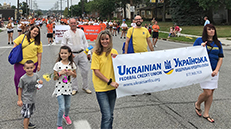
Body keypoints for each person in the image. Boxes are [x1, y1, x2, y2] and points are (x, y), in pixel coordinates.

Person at [194, 24, 224, 123]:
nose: (211, 31)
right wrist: (200, 48)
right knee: (207, 92)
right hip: (203, 71)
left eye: (213, 29)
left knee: (211, 93)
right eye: (209, 29)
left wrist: (216, 70)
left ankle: (206, 113)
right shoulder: (199, 41)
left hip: (214, 72)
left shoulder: (218, 43)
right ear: (205, 31)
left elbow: (220, 57)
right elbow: (191, 54)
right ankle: (197, 103)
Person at [91, 30, 119, 129]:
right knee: (106, 116)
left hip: (112, 89)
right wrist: (109, 82)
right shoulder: (96, 54)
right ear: (99, 40)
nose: (105, 41)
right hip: (101, 89)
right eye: (102, 39)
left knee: (110, 115)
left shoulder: (114, 52)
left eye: (107, 39)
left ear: (110, 40)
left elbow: (120, 68)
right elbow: (96, 72)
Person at [124, 15, 154, 96]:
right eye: (136, 19)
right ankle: (134, 90)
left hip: (144, 54)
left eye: (139, 19)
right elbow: (127, 42)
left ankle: (146, 88)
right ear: (134, 21)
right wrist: (126, 53)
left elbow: (149, 42)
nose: (138, 20)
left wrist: (153, 52)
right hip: (134, 54)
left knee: (145, 72)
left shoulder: (145, 30)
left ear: (142, 20)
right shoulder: (131, 30)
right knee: (135, 73)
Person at [61, 18, 92, 95]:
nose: (73, 24)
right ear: (69, 24)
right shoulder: (66, 33)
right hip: (72, 55)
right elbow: (63, 45)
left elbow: (85, 43)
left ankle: (85, 87)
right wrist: (68, 54)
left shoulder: (81, 32)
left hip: (82, 53)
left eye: (74, 23)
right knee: (73, 72)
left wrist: (89, 53)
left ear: (77, 23)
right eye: (71, 23)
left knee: (85, 71)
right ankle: (74, 88)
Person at [13, 25, 43, 95]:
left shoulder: (38, 42)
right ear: (30, 30)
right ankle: (20, 93)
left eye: (37, 32)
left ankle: (28, 93)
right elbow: (15, 45)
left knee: (30, 80)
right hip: (20, 63)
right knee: (18, 78)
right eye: (34, 30)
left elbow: (39, 54)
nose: (35, 33)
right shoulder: (22, 37)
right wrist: (15, 54)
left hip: (32, 63)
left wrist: (39, 64)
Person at [53, 46, 77, 129]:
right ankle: (59, 125)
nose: (63, 55)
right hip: (59, 88)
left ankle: (66, 116)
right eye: (62, 53)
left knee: (68, 106)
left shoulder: (72, 64)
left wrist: (71, 73)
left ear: (69, 54)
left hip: (68, 88)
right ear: (59, 54)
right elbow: (54, 77)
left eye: (65, 53)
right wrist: (60, 73)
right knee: (61, 107)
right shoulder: (57, 64)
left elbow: (75, 75)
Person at [17, 60, 43, 129]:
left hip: (32, 98)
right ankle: (25, 127)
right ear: (24, 68)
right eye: (27, 68)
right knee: (26, 115)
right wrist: (19, 100)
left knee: (30, 113)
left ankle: (27, 123)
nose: (29, 69)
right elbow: (19, 88)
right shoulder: (23, 78)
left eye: (31, 67)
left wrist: (40, 83)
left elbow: (37, 83)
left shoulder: (36, 75)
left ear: (34, 67)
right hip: (26, 99)